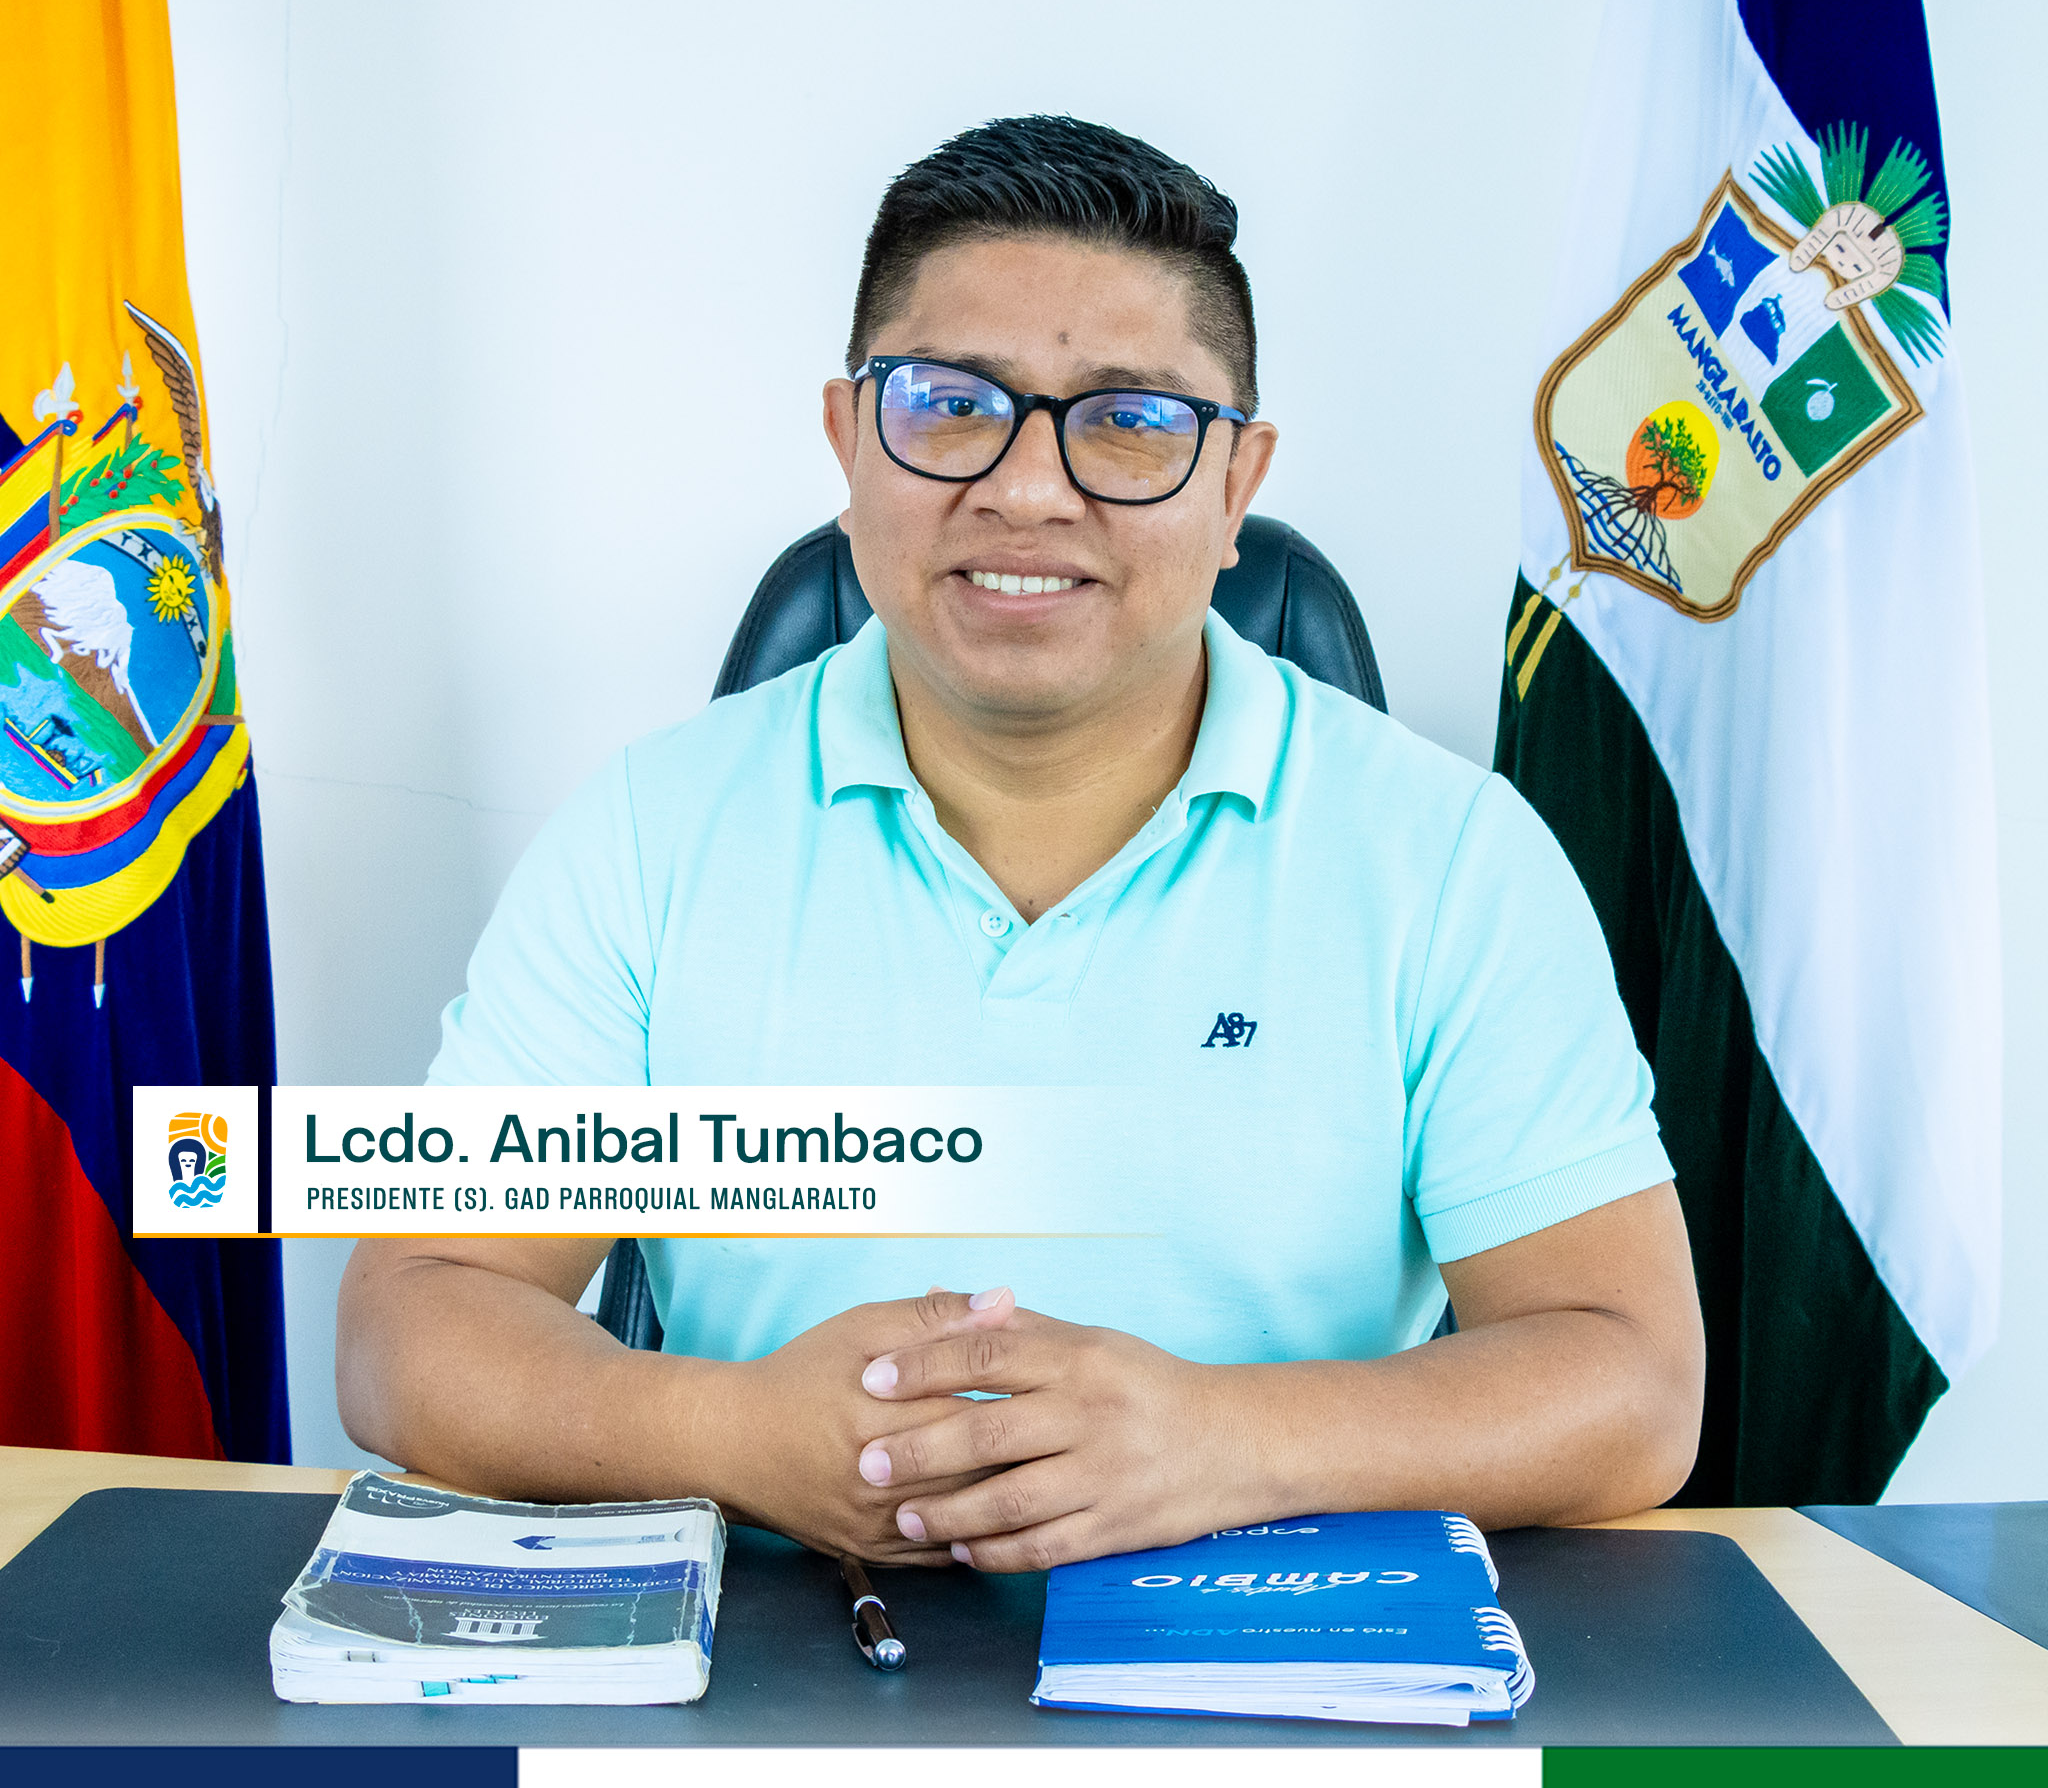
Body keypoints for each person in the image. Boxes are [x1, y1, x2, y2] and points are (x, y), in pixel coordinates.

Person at [338, 115, 1704, 1572]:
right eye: (949, 404)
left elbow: (1631, 1381)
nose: (1030, 488)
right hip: (787, 1653)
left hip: (1277, 1655)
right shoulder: (648, 834)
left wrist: (1221, 1443)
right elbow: (410, 1317)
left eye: (1131, 418)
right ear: (848, 441)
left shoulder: (1452, 861)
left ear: (1237, 487)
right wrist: (735, 1437)